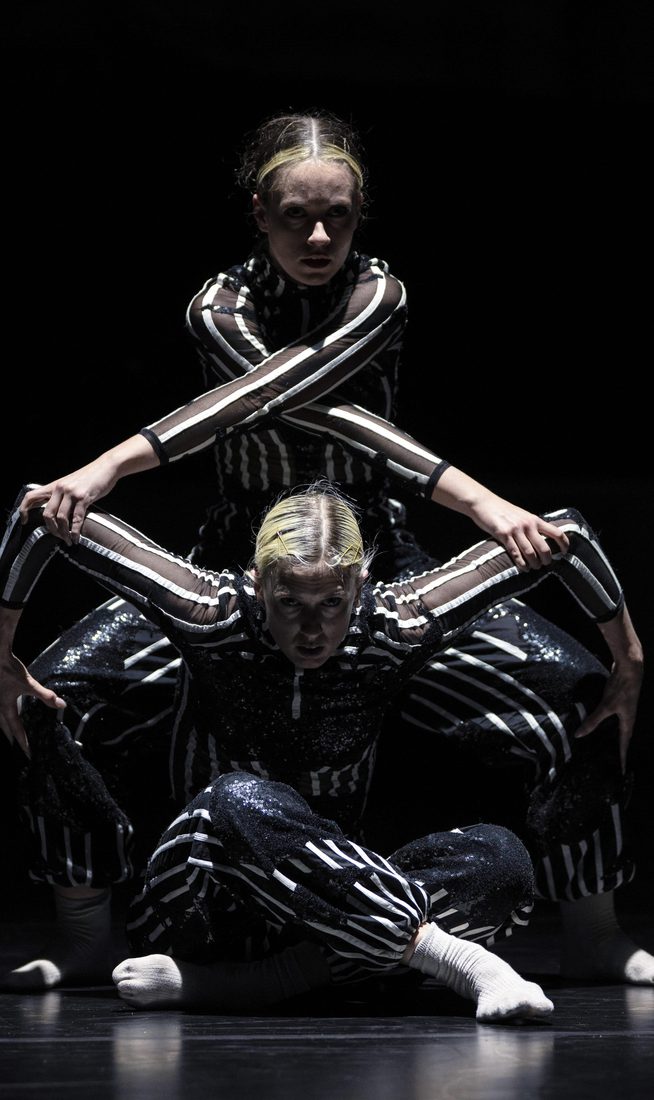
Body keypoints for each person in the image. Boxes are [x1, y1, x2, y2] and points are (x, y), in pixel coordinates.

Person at [7, 109, 652, 990]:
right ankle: (85, 925)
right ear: (259, 217)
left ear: (359, 215)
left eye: (338, 216)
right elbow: (276, 398)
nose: (319, 236)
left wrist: (626, 653)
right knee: (57, 691)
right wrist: (480, 496)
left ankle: (593, 927)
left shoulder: (377, 294)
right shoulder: (217, 307)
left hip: (382, 563)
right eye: (296, 216)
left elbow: (295, 395)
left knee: (576, 693)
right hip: (238, 570)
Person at [0, 482, 643, 1018]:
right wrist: (1, 653)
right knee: (235, 799)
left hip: (328, 904)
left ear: (360, 585)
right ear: (257, 584)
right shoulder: (208, 612)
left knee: (501, 861)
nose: (312, 628)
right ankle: (453, 959)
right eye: (290, 602)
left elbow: (566, 537)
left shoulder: (397, 624)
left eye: (332, 603)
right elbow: (42, 517)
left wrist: (630, 659)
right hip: (202, 905)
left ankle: (263, 984)